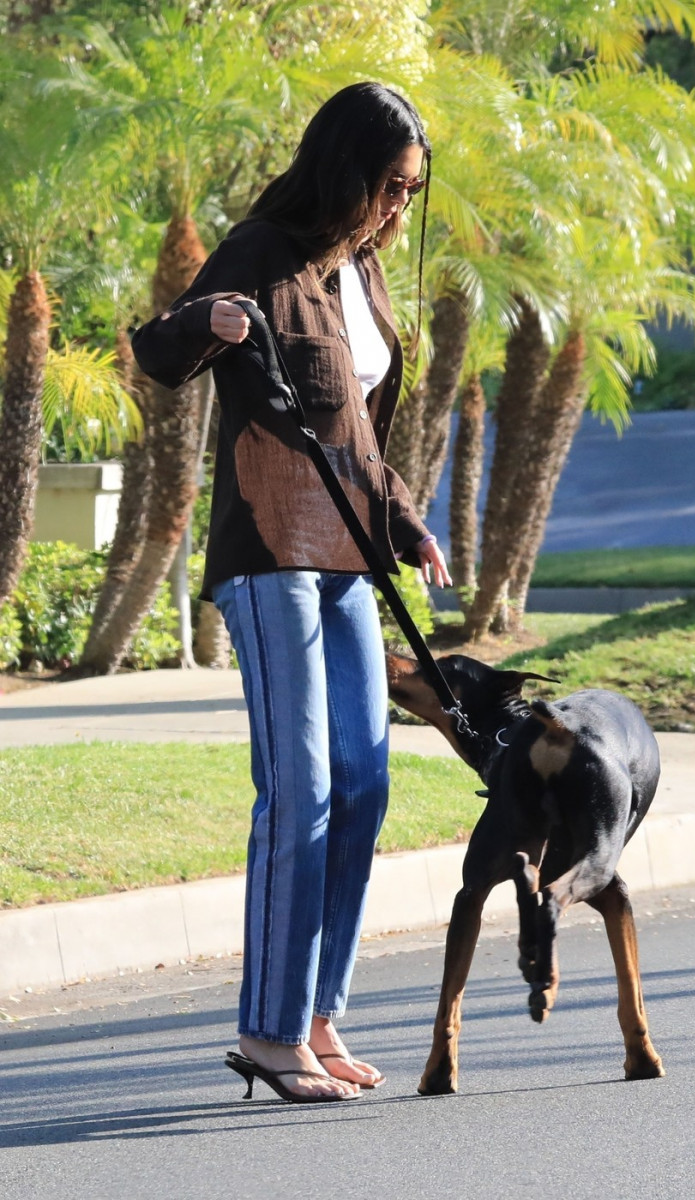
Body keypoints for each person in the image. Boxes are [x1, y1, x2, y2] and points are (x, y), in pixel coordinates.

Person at [131, 82, 451, 1104]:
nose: (397, 209)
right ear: (345, 169)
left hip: (348, 557)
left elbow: (354, 434)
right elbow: (157, 350)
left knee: (364, 785)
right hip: (269, 553)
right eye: (388, 187)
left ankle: (316, 1015)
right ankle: (269, 1034)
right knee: (301, 789)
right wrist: (210, 319)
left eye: (411, 193)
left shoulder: (361, 278)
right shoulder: (261, 249)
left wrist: (404, 523)